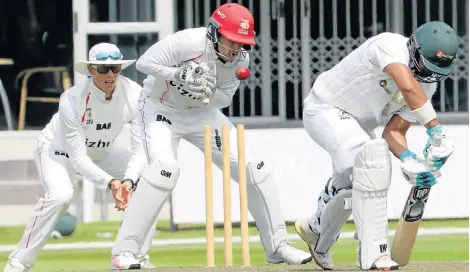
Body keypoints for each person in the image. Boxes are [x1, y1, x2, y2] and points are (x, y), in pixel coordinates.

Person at [109, 3, 312, 270]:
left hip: (203, 112)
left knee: (255, 169)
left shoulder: (241, 59)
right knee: (163, 171)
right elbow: (145, 62)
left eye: (242, 43)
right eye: (232, 41)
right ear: (214, 32)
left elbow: (223, 100)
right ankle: (124, 252)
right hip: (161, 108)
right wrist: (177, 75)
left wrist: (203, 90)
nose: (236, 49)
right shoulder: (188, 41)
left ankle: (278, 246)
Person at [294, 21, 458, 270]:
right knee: (371, 160)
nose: (429, 75)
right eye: (426, 64)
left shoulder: (427, 84)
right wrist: (436, 132)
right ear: (413, 47)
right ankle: (375, 254)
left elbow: (393, 132)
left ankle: (316, 231)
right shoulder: (389, 45)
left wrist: (410, 159)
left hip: (359, 126)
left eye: (437, 71)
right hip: (325, 107)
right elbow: (406, 85)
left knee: (361, 175)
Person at [4, 43, 156, 272]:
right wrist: (111, 183)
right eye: (103, 69)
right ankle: (18, 262)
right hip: (57, 151)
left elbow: (141, 149)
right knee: (61, 196)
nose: (110, 74)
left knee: (150, 182)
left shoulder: (134, 94)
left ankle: (131, 256)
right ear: (91, 70)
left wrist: (129, 180)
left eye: (115, 68)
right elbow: (78, 159)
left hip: (102, 151)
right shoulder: (72, 100)